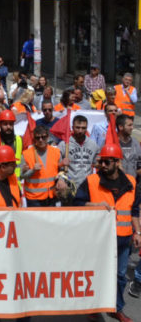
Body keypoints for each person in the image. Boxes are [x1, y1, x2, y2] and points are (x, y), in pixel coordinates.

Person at [73, 143, 140, 322]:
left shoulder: (131, 183)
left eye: (107, 162)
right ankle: (94, 307)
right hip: (99, 239)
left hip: (123, 239)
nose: (103, 165)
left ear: (117, 162)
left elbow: (134, 211)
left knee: (120, 276)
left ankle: (116, 308)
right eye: (101, 161)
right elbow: (77, 203)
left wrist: (138, 233)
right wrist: (93, 205)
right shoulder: (91, 181)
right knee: (97, 274)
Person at [20, 126, 64, 206]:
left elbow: (61, 170)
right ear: (34, 139)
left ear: (47, 137)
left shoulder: (56, 152)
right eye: (38, 137)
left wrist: (61, 179)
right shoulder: (26, 154)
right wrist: (33, 170)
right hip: (34, 198)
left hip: (51, 196)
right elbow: (21, 176)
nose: (40, 140)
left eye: (43, 137)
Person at [58, 115, 100, 189]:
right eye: (77, 127)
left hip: (87, 185)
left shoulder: (93, 145)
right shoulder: (64, 145)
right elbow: (56, 167)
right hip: (70, 186)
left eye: (83, 128)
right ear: (73, 127)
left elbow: (97, 164)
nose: (80, 131)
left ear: (86, 128)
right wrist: (61, 165)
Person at [117, 114, 141, 179]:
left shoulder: (136, 143)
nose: (132, 127)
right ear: (120, 127)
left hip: (132, 184)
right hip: (116, 184)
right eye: (129, 125)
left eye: (132, 125)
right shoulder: (112, 142)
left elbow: (139, 165)